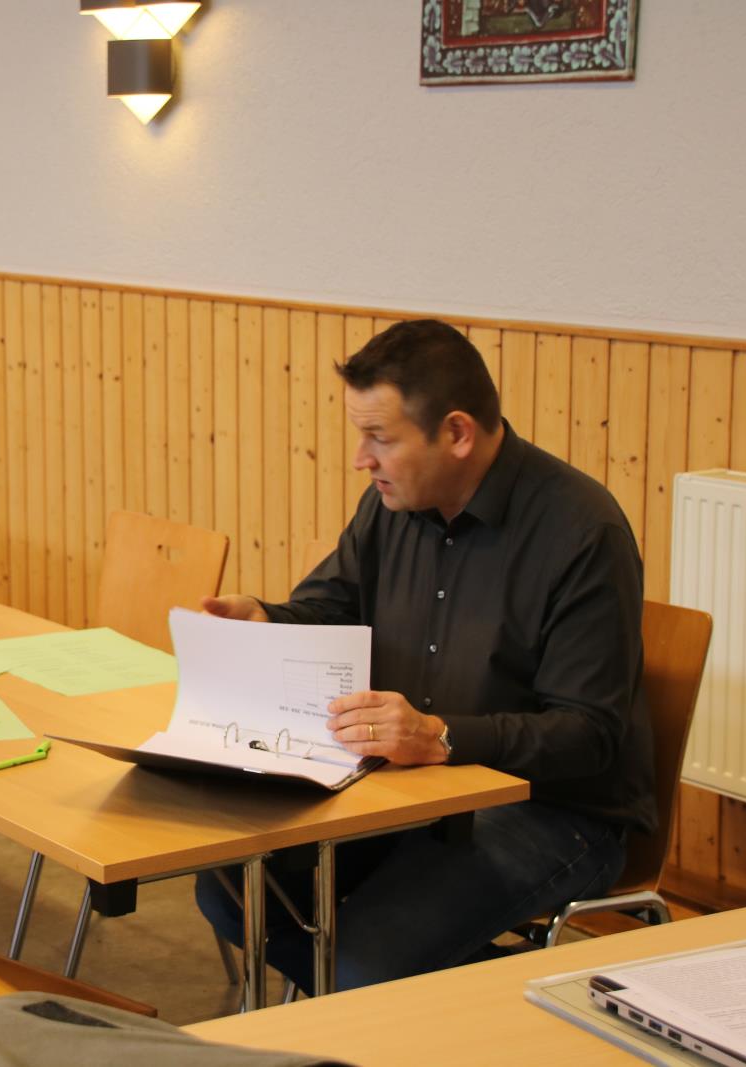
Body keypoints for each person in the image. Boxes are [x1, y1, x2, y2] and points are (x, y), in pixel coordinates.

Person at [195, 319, 654, 994]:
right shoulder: (391, 505)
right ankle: (413, 997)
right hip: (409, 790)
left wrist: (439, 736)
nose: (361, 458)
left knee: (360, 962)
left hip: (555, 809)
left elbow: (588, 735)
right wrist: (267, 618)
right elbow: (334, 608)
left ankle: (425, 999)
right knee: (230, 888)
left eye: (379, 438)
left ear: (457, 433)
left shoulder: (582, 531)